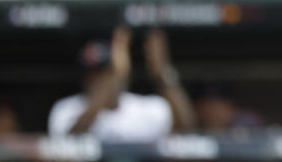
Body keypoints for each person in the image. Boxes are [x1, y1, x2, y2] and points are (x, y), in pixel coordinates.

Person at [48, 26, 196, 141]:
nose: (100, 79)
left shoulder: (147, 108)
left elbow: (187, 129)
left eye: (107, 71)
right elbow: (68, 141)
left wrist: (162, 72)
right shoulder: (67, 109)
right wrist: (114, 80)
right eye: (93, 73)